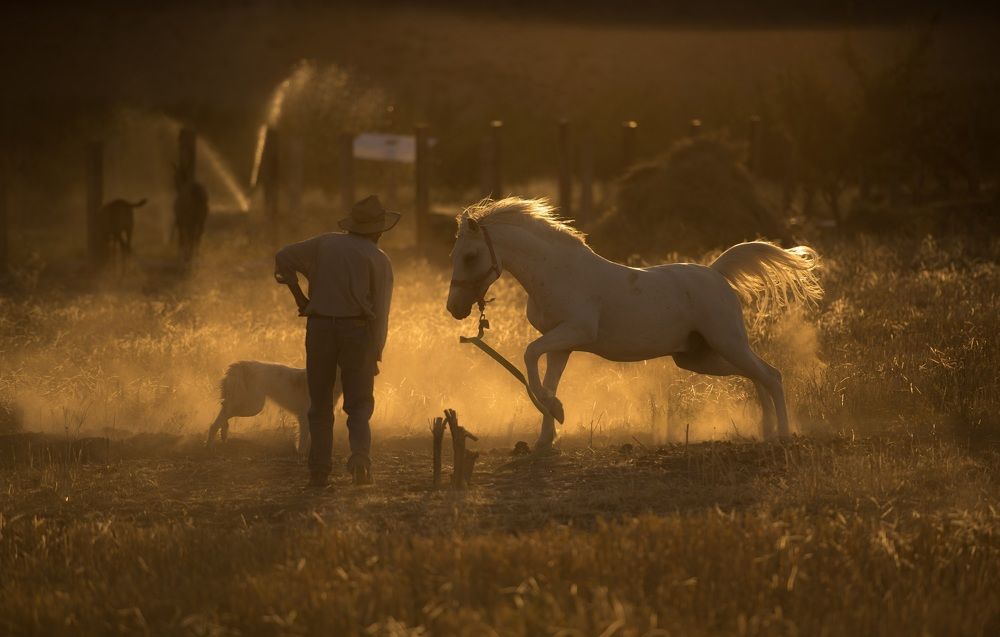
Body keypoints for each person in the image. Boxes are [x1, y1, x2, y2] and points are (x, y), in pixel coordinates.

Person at [274, 195, 398, 488]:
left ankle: (318, 471)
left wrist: (301, 298)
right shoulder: (379, 259)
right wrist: (375, 353)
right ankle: (359, 462)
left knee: (319, 403)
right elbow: (380, 313)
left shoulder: (324, 243)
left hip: (319, 330)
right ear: (377, 230)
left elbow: (283, 258)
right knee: (358, 405)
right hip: (357, 333)